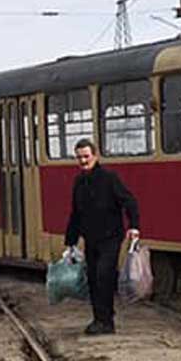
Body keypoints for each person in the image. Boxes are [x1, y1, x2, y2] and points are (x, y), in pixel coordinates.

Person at [64, 139, 140, 335]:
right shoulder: (79, 182)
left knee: (103, 275)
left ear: (95, 156)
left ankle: (106, 322)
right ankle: (99, 319)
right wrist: (70, 242)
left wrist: (134, 226)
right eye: (79, 157)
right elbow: (75, 213)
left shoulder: (109, 177)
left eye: (86, 156)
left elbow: (129, 201)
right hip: (91, 238)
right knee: (92, 279)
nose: (83, 161)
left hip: (111, 237)